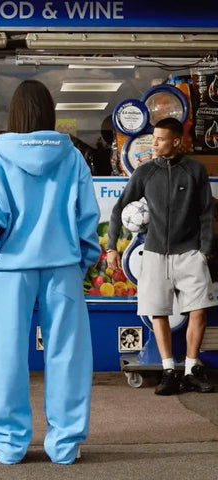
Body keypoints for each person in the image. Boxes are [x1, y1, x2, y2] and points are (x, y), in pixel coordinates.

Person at [0, 80, 101, 465]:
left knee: (3, 356)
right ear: (49, 114)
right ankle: (64, 445)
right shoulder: (72, 156)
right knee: (69, 356)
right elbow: (87, 218)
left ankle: (9, 444)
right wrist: (82, 260)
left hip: (9, 270)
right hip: (62, 267)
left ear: (14, 114)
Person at [107, 117, 217, 395]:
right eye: (152, 138)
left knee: (199, 311)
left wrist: (205, 250)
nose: (153, 143)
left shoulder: (195, 170)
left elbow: (206, 212)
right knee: (158, 312)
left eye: (159, 139)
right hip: (155, 253)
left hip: (190, 252)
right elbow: (119, 208)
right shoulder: (144, 172)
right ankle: (169, 370)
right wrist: (111, 246)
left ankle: (192, 369)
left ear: (177, 141)